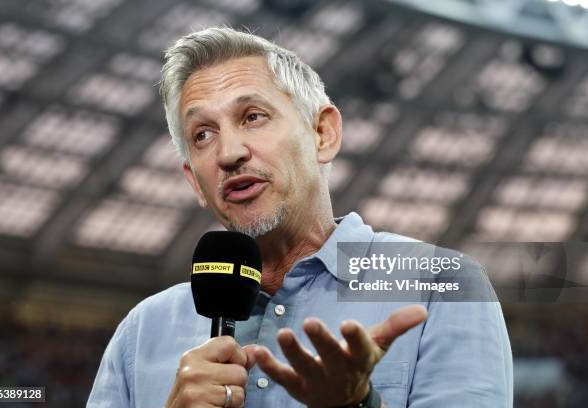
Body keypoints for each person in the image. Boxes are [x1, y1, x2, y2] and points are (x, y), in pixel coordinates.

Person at [87, 27, 513, 408]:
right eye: (202, 135)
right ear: (195, 183)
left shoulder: (440, 285)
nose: (229, 152)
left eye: (253, 117)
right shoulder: (142, 332)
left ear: (322, 134)